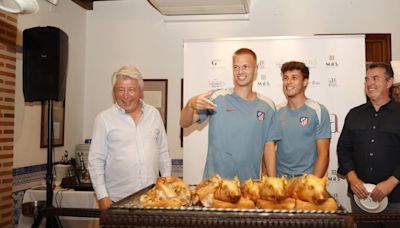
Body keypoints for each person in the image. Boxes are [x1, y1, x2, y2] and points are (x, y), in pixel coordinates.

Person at [180, 48, 280, 182]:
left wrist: (273, 182)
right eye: (236, 67)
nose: (240, 72)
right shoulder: (217, 98)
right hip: (215, 185)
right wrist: (190, 105)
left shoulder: (267, 106)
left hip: (249, 186)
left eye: (245, 67)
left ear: (256, 69)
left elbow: (269, 146)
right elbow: (184, 123)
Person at [88, 65, 171, 210]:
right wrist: (102, 197)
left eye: (131, 90)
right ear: (114, 92)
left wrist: (167, 185)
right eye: (121, 89)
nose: (126, 95)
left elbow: (163, 153)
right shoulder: (103, 119)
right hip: (117, 202)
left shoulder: (154, 115)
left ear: (140, 92)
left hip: (152, 200)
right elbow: (95, 161)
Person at [337, 63, 400, 219]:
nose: (369, 83)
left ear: (389, 82)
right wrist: (352, 178)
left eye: (375, 78)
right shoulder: (354, 114)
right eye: (367, 79)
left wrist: (391, 182)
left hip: (396, 199)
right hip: (361, 199)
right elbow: (343, 150)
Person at [275, 61, 331, 178]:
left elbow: (323, 154)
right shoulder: (276, 111)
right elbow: (268, 148)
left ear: (305, 82)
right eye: (285, 78)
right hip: (281, 182)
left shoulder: (318, 111)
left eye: (294, 78)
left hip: (307, 181)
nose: (288, 82)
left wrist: (313, 184)